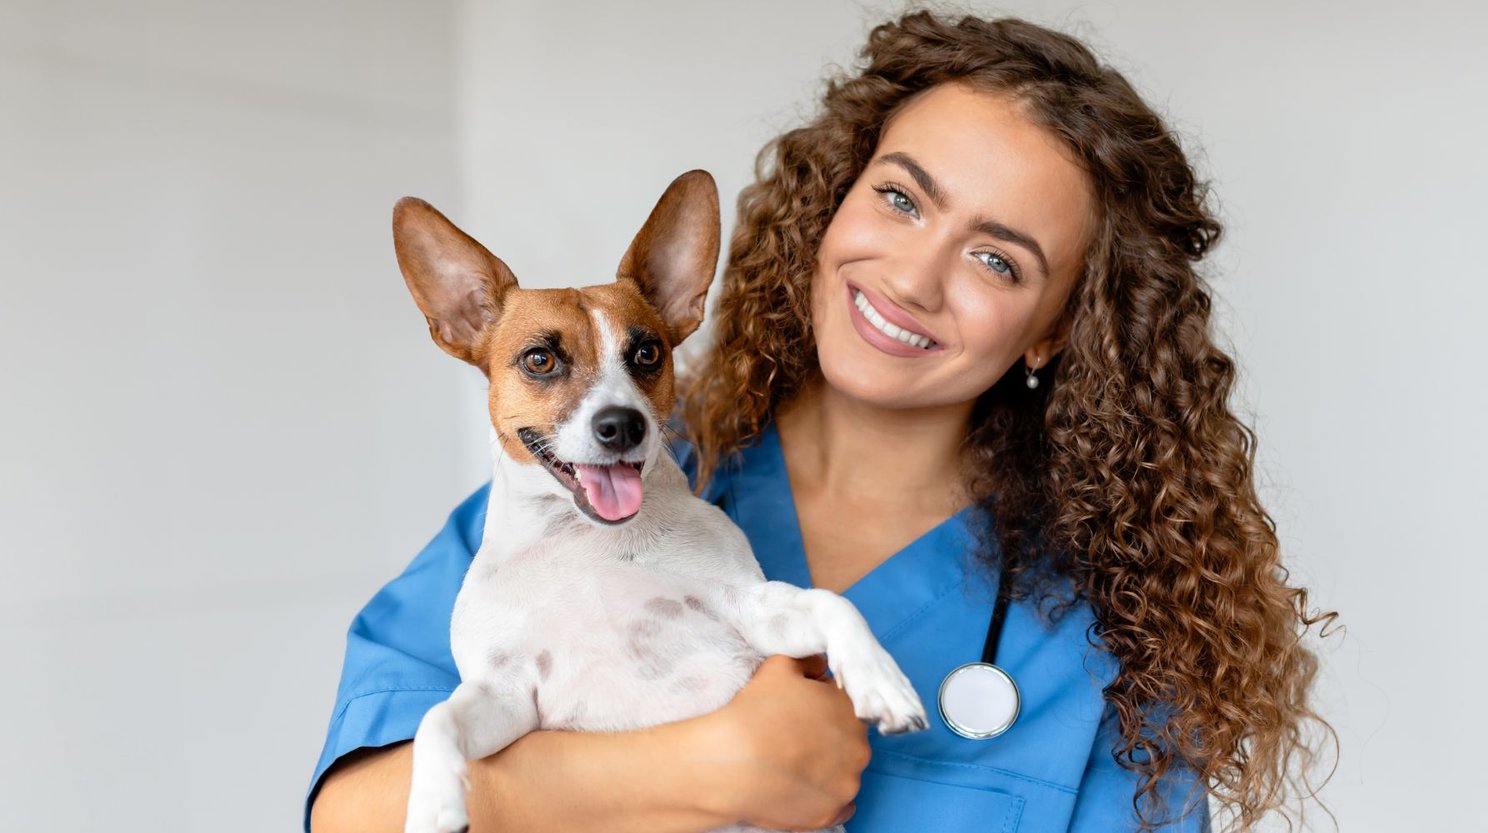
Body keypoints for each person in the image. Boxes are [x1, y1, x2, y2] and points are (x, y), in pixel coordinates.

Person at [307, 11, 1334, 833]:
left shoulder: (1101, 642)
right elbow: (351, 816)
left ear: (1055, 329)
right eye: (898, 197)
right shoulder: (566, 502)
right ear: (830, 203)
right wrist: (705, 769)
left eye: (997, 259)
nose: (911, 274)